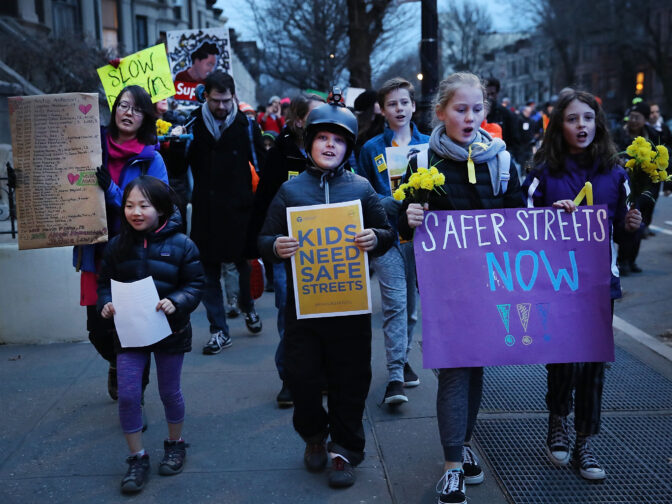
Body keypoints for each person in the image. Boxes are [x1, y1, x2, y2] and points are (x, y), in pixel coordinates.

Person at [257, 91, 395, 488]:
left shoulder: (362, 189)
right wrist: (275, 247)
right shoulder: (290, 191)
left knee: (351, 381)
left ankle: (344, 450)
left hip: (350, 308)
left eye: (338, 139)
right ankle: (314, 436)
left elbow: (387, 231)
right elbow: (264, 239)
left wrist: (375, 238)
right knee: (302, 379)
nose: (330, 144)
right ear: (309, 142)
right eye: (322, 138)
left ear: (348, 146)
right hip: (305, 310)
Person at [399, 72, 522, 504]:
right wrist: (408, 218)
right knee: (454, 370)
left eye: (476, 109)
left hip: (490, 288)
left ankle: (463, 444)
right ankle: (453, 465)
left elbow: (521, 222)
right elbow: (401, 223)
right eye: (460, 109)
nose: (469, 117)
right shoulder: (420, 162)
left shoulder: (503, 162)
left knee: (475, 368)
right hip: (446, 291)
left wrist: (558, 213)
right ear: (440, 112)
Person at [522, 90, 641, 481]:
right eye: (572, 119)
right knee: (563, 359)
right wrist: (548, 217)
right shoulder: (543, 174)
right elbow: (519, 229)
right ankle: (557, 418)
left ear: (598, 124)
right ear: (560, 126)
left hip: (598, 287)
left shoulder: (616, 173)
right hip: (556, 286)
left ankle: (584, 441)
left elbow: (625, 238)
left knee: (592, 365)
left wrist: (630, 228)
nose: (581, 126)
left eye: (587, 118)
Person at [98, 176, 204, 494]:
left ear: (160, 208)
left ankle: (176, 443)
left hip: (170, 331)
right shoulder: (117, 246)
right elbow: (104, 283)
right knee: (129, 394)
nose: (136, 212)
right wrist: (106, 304)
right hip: (130, 333)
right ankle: (137, 456)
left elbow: (196, 285)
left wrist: (178, 301)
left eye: (144, 205)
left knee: (169, 392)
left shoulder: (183, 245)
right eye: (130, 205)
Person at [74, 85, 168, 400]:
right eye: (123, 105)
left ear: (146, 117)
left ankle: (132, 390)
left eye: (137, 108)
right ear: (114, 110)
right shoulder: (90, 143)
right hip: (96, 250)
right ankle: (119, 365)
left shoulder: (151, 159)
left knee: (133, 330)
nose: (128, 113)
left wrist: (113, 192)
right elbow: (62, 174)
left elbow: (159, 206)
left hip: (133, 256)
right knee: (98, 330)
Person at [356, 77, 428, 406]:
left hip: (421, 239)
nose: (399, 109)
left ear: (413, 106)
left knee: (411, 309)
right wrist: (394, 203)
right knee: (395, 306)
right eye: (392, 104)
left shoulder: (431, 145)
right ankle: (395, 377)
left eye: (404, 103)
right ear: (381, 110)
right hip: (387, 238)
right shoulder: (371, 149)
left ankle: (403, 357)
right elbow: (364, 195)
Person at [251, 93, 325, 408]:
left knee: (324, 315)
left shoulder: (332, 148)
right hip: (287, 250)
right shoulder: (280, 153)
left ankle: (320, 375)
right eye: (315, 117)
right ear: (298, 121)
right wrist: (265, 245)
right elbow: (264, 203)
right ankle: (290, 379)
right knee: (289, 315)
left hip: (325, 248)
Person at [187, 71, 266, 354]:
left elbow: (261, 166)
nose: (221, 107)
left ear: (234, 97)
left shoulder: (246, 126)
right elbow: (181, 164)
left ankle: (247, 306)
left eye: (226, 100)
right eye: (215, 100)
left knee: (242, 264)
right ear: (205, 96)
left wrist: (262, 205)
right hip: (206, 211)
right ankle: (219, 330)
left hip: (239, 210)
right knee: (208, 272)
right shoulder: (192, 123)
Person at [612, 100, 654, 273]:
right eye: (632, 117)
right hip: (624, 186)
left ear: (645, 119)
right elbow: (610, 153)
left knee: (641, 222)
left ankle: (632, 259)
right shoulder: (617, 134)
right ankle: (623, 260)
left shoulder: (653, 135)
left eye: (638, 117)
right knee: (628, 220)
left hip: (646, 186)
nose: (634, 120)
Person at [154, 99, 190, 233]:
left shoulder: (178, 123)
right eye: (158, 95)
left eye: (165, 95)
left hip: (176, 188)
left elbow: (180, 164)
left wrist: (177, 143)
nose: (164, 98)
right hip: (151, 186)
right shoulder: (140, 126)